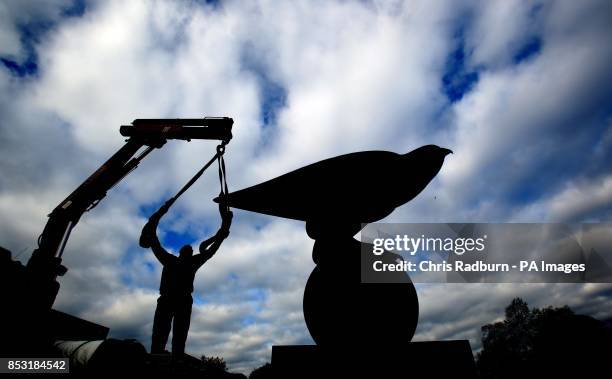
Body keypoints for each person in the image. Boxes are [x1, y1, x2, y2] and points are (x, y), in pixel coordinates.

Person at [139, 199, 232, 357]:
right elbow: (154, 240)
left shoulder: (183, 261)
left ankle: (170, 356)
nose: (189, 248)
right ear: (182, 253)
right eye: (187, 249)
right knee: (163, 332)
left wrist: (224, 228)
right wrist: (158, 215)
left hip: (179, 300)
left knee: (178, 334)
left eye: (190, 249)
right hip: (171, 299)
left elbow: (212, 249)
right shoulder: (175, 260)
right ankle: (159, 355)